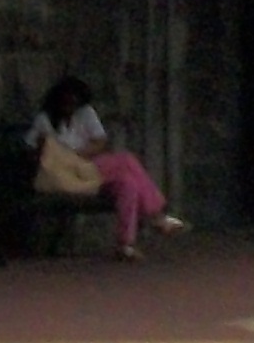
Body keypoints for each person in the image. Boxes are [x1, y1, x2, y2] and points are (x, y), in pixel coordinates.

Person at [30, 75, 187, 261]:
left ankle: (125, 244)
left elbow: (100, 141)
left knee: (128, 184)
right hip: (66, 174)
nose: (71, 107)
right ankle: (156, 216)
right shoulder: (44, 120)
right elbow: (36, 149)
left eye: (75, 103)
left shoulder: (86, 113)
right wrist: (62, 156)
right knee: (126, 159)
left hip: (88, 167)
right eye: (66, 102)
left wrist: (78, 154)